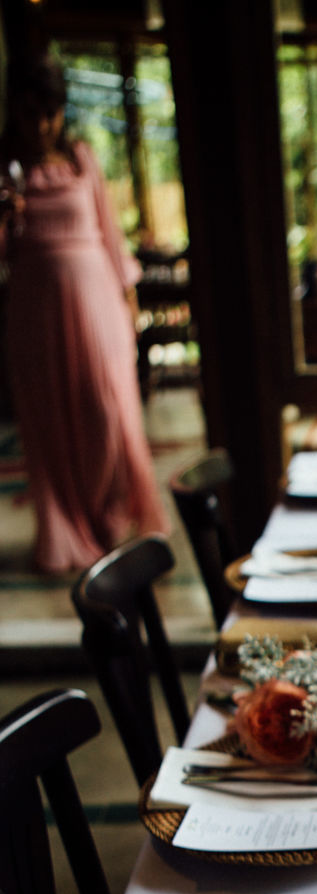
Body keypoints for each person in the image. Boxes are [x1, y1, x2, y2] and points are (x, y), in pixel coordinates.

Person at [0, 55, 170, 575]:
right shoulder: (7, 170)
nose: (42, 124)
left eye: (50, 112)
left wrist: (128, 298)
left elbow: (110, 231)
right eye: (32, 113)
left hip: (95, 299)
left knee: (104, 410)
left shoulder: (80, 158)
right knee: (52, 422)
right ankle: (70, 530)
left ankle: (108, 515)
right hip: (35, 308)